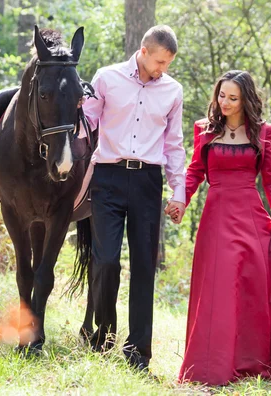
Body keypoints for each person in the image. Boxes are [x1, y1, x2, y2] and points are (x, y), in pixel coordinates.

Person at [170, 70, 271, 385]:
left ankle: (254, 361)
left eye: (232, 98)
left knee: (255, 288)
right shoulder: (205, 130)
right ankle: (212, 365)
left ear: (246, 101)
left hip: (251, 215)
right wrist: (180, 200)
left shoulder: (263, 132)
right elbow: (195, 171)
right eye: (221, 95)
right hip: (216, 216)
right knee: (219, 287)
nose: (224, 102)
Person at [82, 25, 186, 371]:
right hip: (107, 178)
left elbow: (174, 144)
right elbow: (86, 124)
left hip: (146, 182)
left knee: (144, 266)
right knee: (106, 259)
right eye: (159, 62)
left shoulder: (173, 91)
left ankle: (138, 351)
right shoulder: (107, 78)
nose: (163, 69)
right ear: (143, 52)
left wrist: (179, 191)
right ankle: (103, 335)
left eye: (168, 63)